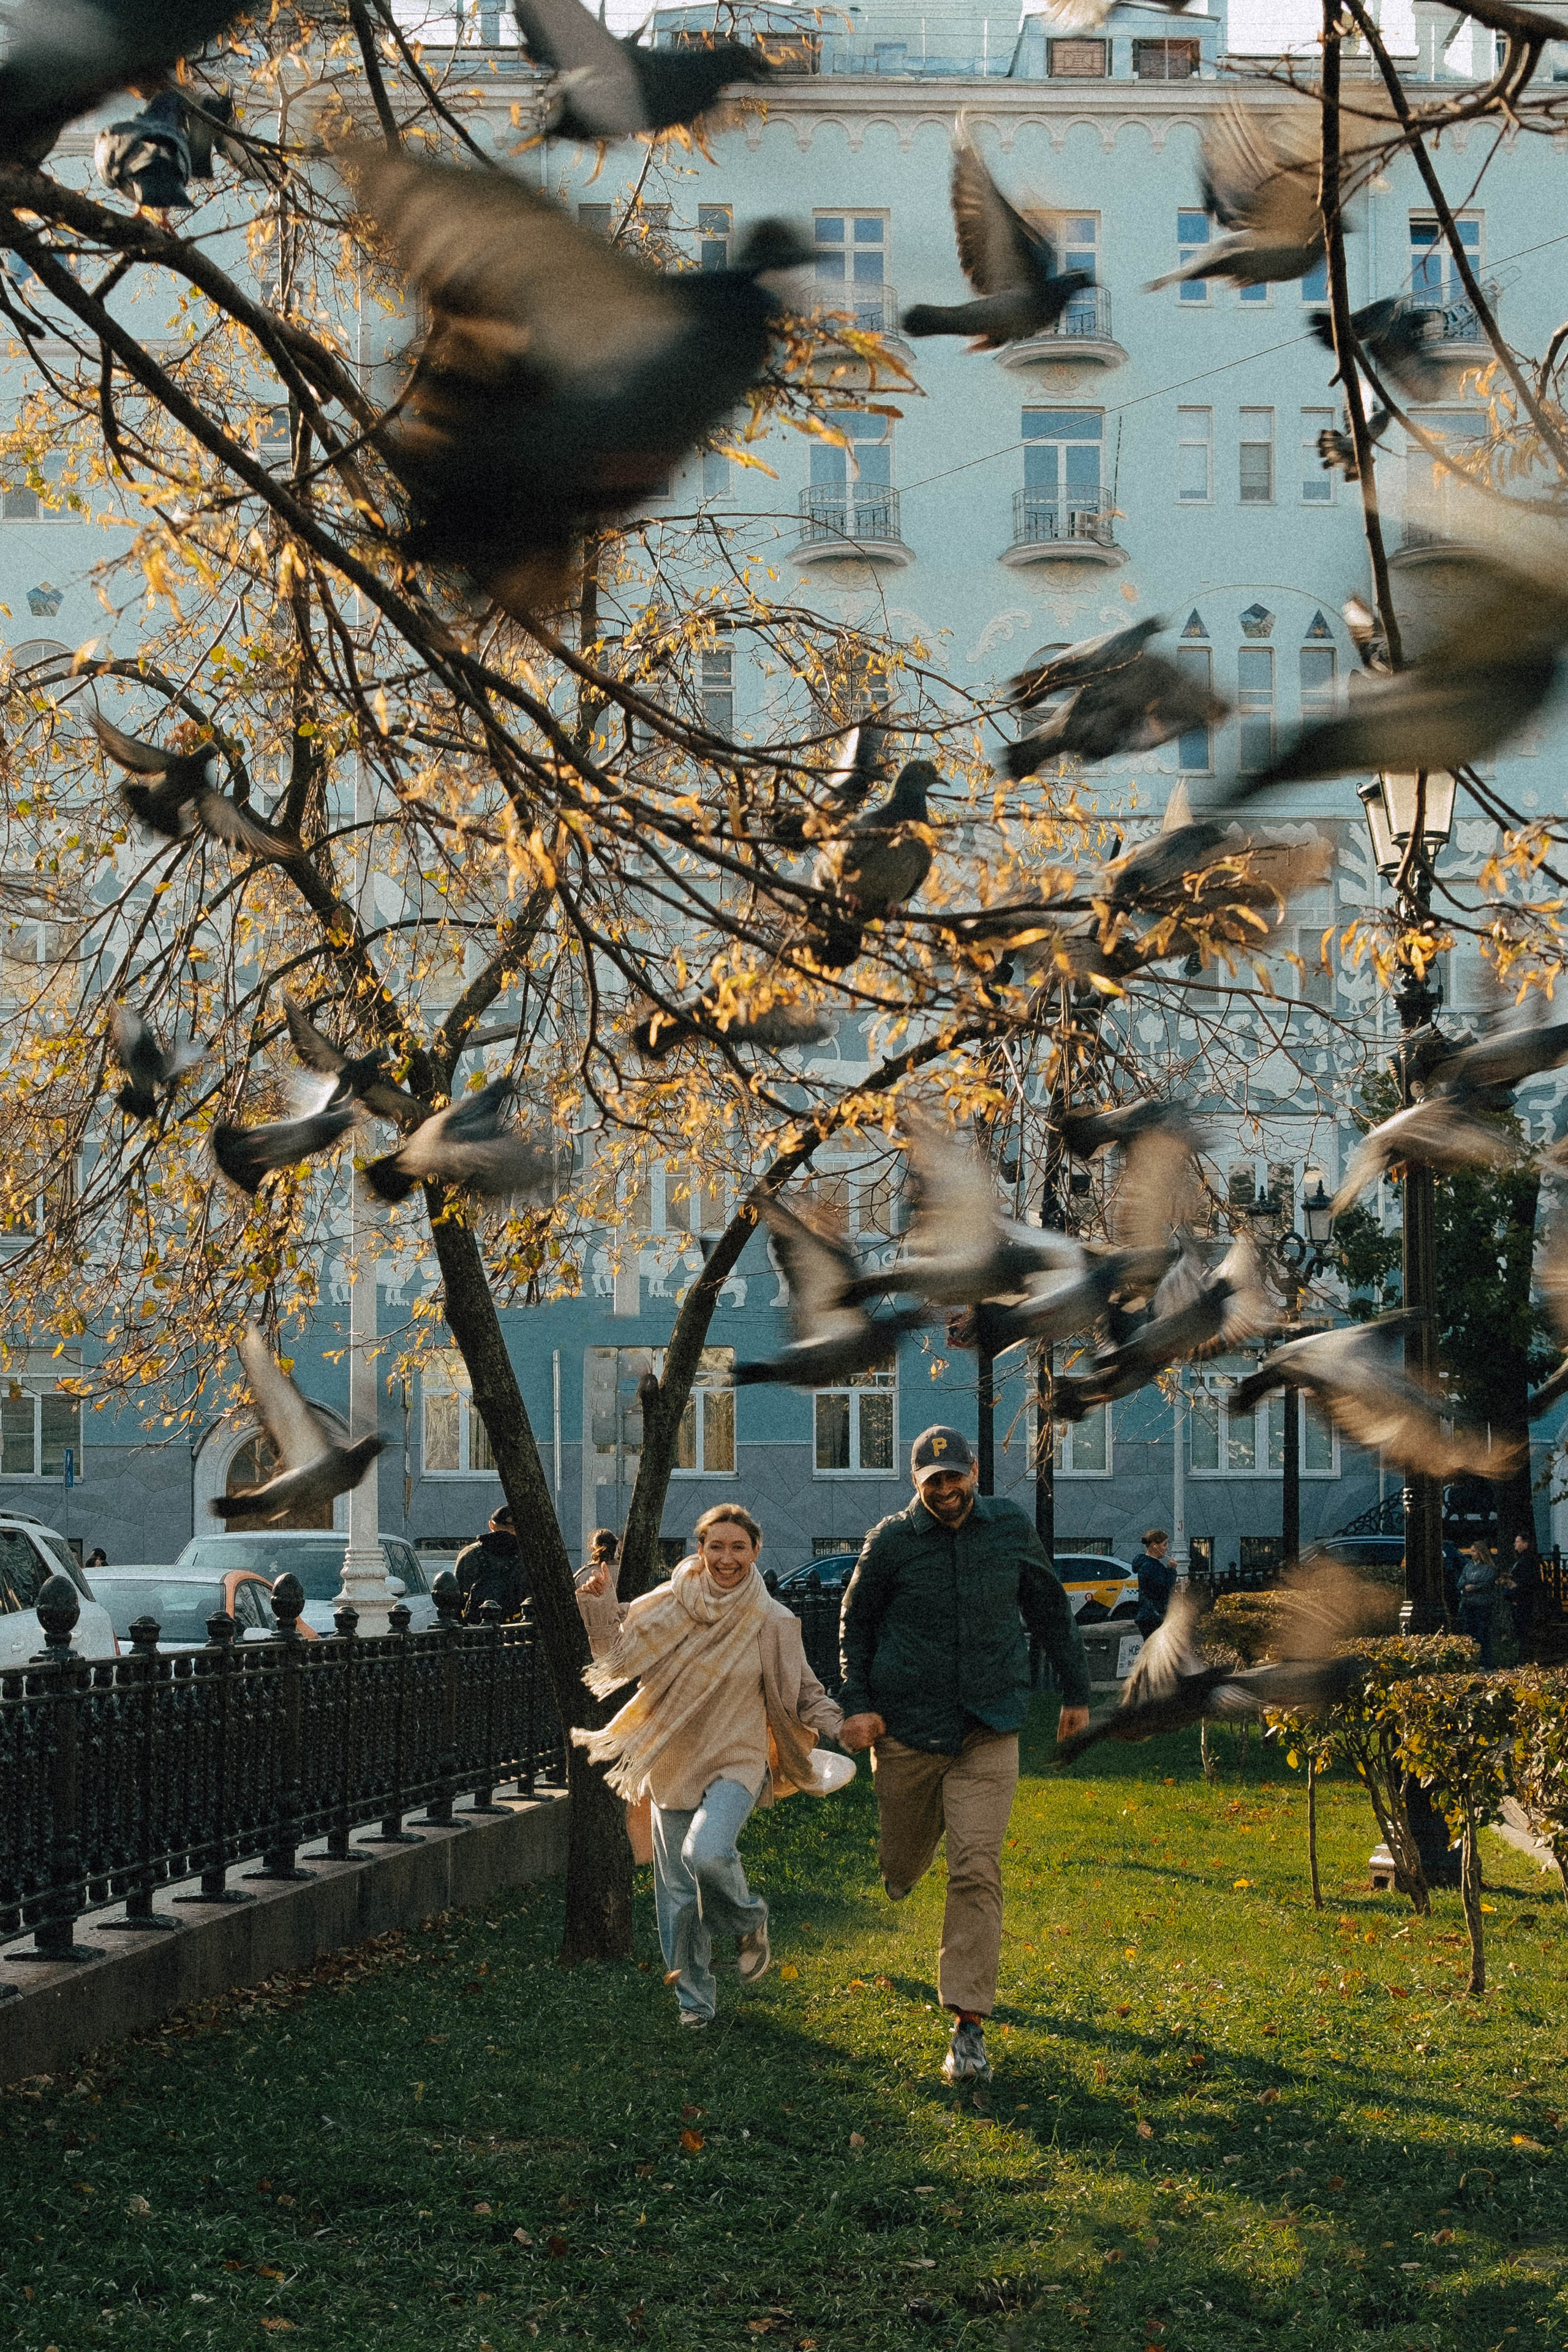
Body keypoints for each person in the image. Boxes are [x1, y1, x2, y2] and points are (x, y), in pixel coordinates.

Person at [838, 1426, 1091, 2089]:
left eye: (954, 1477)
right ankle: (904, 1864)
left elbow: (1047, 1608)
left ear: (973, 1471)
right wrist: (856, 1701)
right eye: (933, 1482)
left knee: (976, 1867)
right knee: (902, 1861)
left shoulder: (1008, 1527)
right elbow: (855, 1624)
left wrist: (1074, 1689)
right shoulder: (891, 1541)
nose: (946, 1491)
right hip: (909, 1732)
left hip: (989, 1724)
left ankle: (968, 2025)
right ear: (915, 1484)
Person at [574, 1504, 843, 2030]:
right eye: (715, 1547)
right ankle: (695, 2004)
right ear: (699, 1550)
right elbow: (613, 1656)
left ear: (756, 1552)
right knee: (676, 1896)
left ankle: (749, 1920)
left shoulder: (773, 1621)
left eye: (738, 1547)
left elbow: (806, 1689)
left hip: (737, 1762)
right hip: (672, 1761)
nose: (726, 1558)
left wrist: (838, 1723)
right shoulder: (665, 1606)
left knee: (709, 1852)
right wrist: (602, 1605)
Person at [453, 1503, 528, 1623]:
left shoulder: (469, 1553)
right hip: (517, 1628)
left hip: (476, 1627)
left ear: (491, 1525)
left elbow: (456, 1595)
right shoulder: (528, 1556)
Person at [1457, 1542, 1497, 1670]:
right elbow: (1461, 1581)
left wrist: (1473, 1586)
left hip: (1482, 1605)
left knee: (1482, 1632)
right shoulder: (1468, 1567)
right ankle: (1471, 1660)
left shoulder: (1488, 1568)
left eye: (1474, 1551)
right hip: (1469, 1604)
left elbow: (1486, 1582)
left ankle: (1485, 1660)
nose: (1471, 1553)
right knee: (1469, 1631)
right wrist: (1467, 1586)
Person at [1130, 1528, 1176, 1638]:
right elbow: (1164, 1585)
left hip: (1149, 1614)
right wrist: (1172, 1570)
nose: (1166, 1549)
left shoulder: (1149, 1564)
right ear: (1155, 1546)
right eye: (1164, 1545)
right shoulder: (1150, 1566)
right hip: (1153, 1615)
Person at [1507, 1529, 1541, 1657]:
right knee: (1520, 1630)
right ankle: (1522, 1657)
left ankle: (1524, 1658)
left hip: (1523, 1601)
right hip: (1519, 1599)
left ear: (1525, 1544)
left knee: (1524, 1630)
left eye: (1517, 1542)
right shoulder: (1522, 1560)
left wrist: (1516, 1587)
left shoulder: (1527, 1561)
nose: (1515, 1545)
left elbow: (1528, 1581)